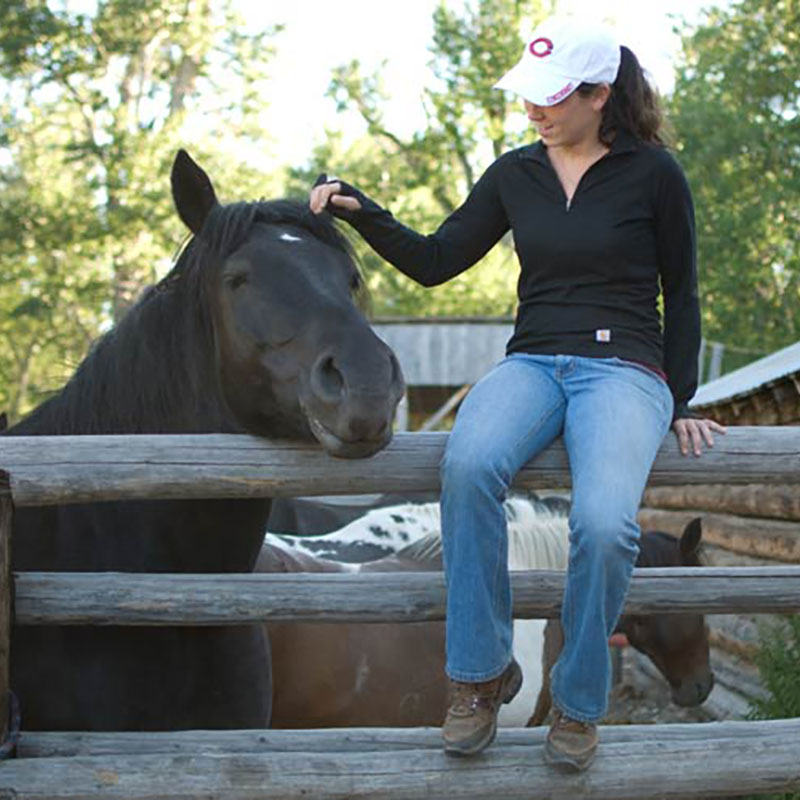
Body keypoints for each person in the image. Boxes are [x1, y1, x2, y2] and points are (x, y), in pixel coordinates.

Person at [309, 19, 726, 771]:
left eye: (550, 98)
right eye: (528, 97)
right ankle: (479, 675)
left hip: (624, 370)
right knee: (467, 470)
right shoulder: (515, 174)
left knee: (603, 526)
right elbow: (436, 261)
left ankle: (577, 700)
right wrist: (364, 212)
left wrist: (682, 398)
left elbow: (683, 293)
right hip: (533, 363)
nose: (533, 110)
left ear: (599, 95)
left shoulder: (655, 175)